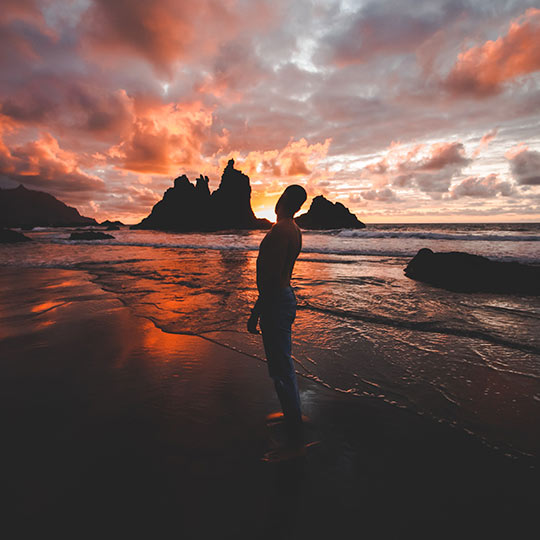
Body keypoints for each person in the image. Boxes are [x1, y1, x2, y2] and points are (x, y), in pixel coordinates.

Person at [247, 185, 307, 459]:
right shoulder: (294, 230)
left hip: (276, 301)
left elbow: (271, 278)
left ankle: (295, 435)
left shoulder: (281, 231)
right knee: (283, 362)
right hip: (284, 298)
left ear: (283, 200)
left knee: (281, 367)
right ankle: (292, 415)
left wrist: (255, 312)